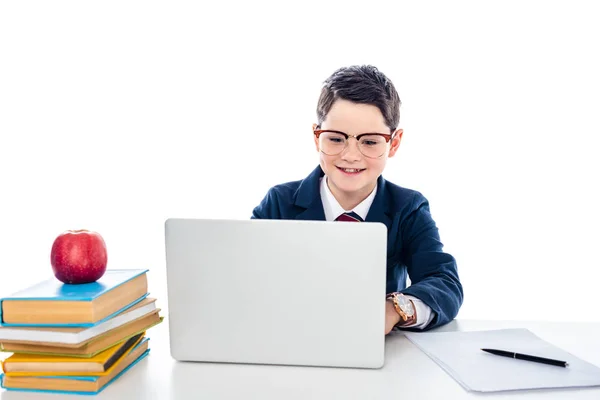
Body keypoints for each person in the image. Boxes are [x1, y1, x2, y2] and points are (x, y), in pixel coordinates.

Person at [252, 65, 463, 333]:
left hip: (374, 347)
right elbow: (247, 276)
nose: (350, 155)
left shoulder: (407, 208)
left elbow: (444, 282)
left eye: (370, 142)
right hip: (289, 339)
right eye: (336, 139)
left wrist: (394, 310)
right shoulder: (279, 203)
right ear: (317, 138)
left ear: (394, 143)